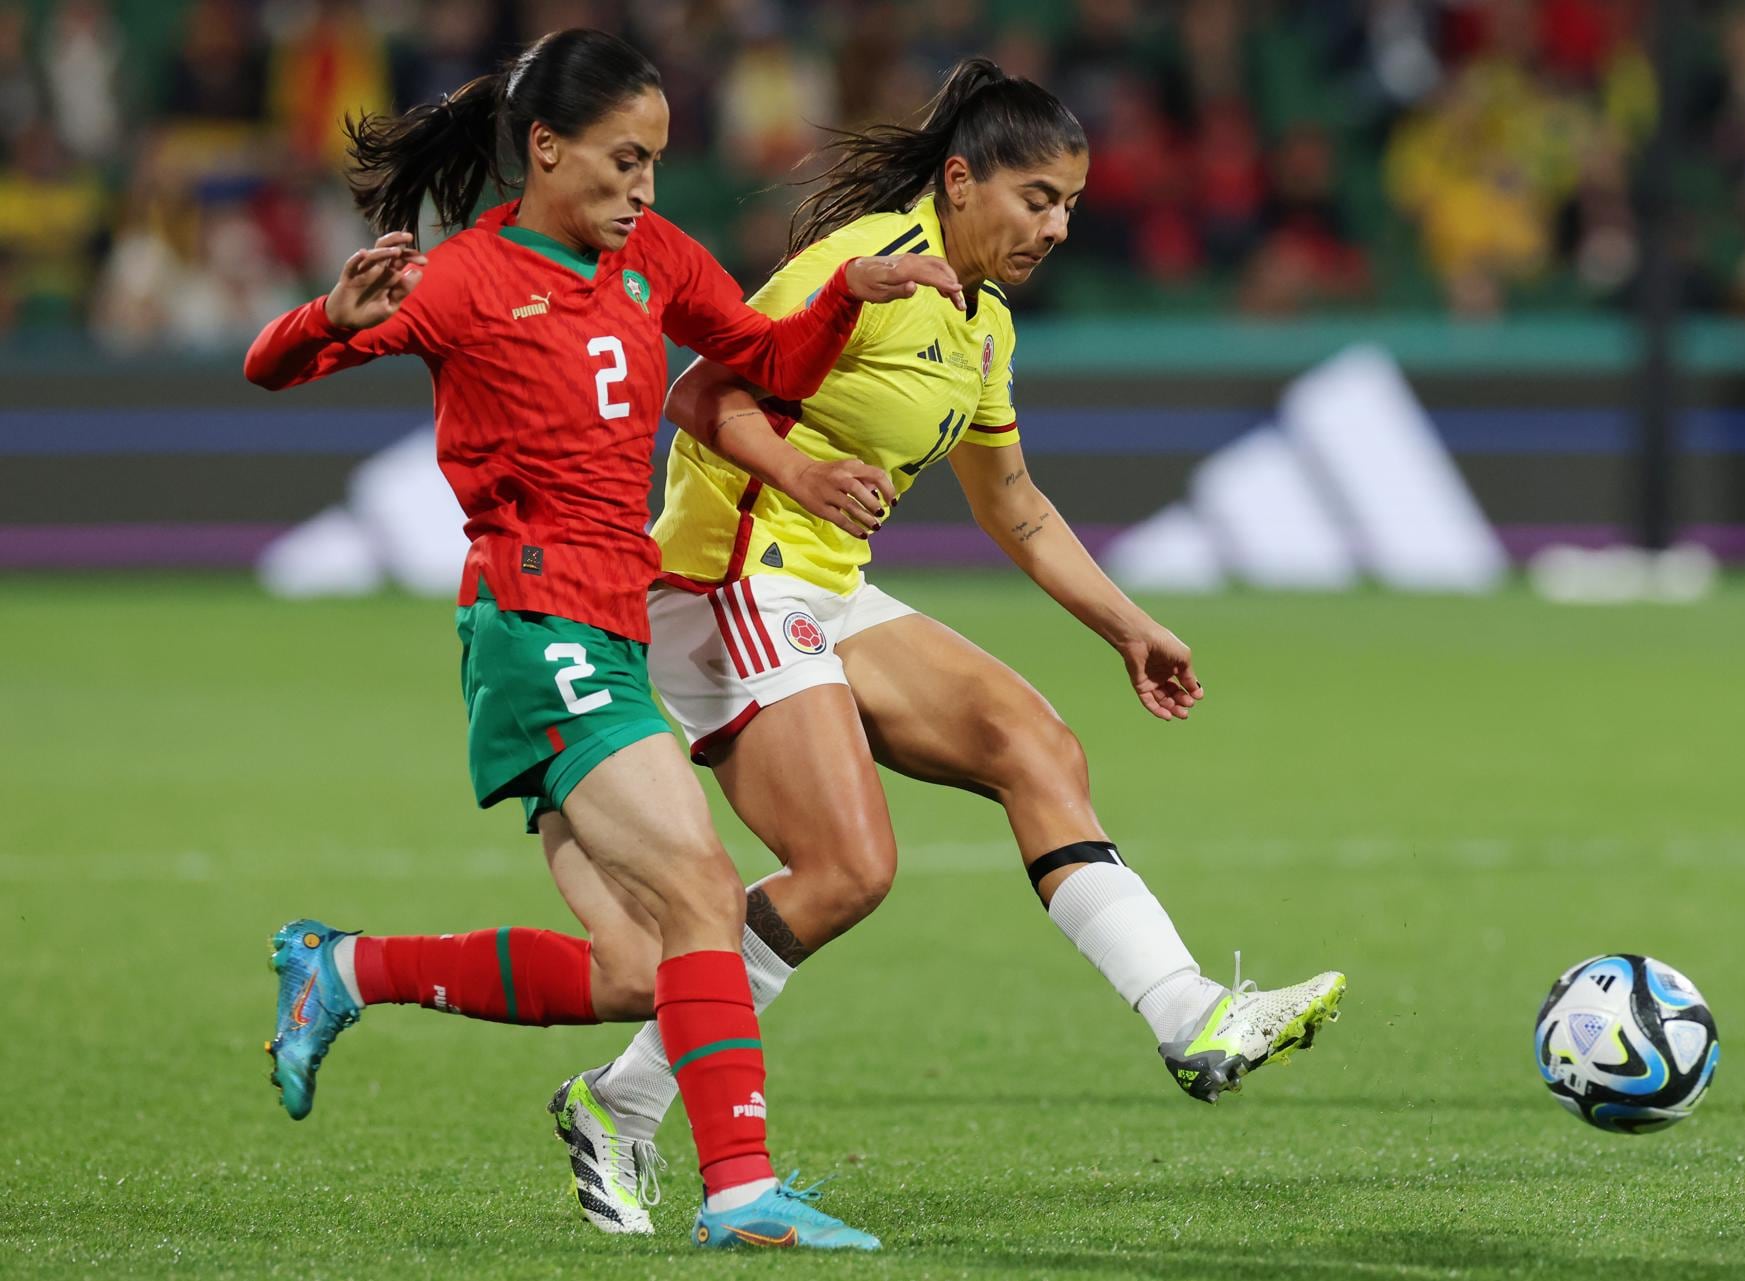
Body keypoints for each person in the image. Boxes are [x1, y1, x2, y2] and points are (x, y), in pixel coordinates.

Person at [567, 57, 1349, 1228]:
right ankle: (622, 1108)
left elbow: (1016, 506)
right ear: (962, 179)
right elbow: (699, 394)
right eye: (1037, 198)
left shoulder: (982, 324)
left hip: (820, 586)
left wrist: (1130, 628)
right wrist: (802, 470)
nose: (1058, 225)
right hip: (722, 575)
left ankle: (1188, 1015)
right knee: (849, 870)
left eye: (1072, 205)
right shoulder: (864, 265)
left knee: (1036, 744)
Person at [242, 28, 959, 1251]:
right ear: (547, 147)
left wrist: (846, 294)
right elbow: (270, 368)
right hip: (534, 625)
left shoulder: (655, 259)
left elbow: (768, 358)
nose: (644, 188)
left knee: (641, 964)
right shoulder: (466, 279)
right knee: (703, 888)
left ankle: (343, 968)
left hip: (606, 629)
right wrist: (327, 314)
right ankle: (740, 1191)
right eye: (626, 161)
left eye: (658, 163)